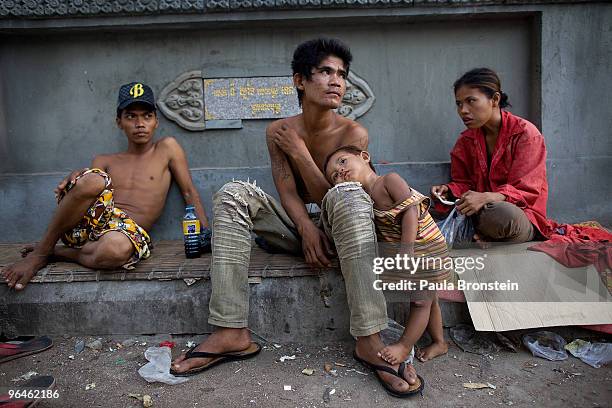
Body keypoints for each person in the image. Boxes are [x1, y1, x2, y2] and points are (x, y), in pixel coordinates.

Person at [171, 38, 421, 398]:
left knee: (349, 194)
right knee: (231, 194)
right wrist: (305, 228)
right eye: (325, 72)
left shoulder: (353, 133)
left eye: (342, 74)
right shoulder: (278, 131)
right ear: (300, 81)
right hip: (297, 227)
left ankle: (368, 339)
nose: (336, 81)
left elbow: (337, 196)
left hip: (344, 228)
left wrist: (302, 154)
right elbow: (286, 189)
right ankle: (231, 331)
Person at [2, 82, 209, 290]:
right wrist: (78, 178)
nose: (140, 123)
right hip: (92, 227)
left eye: (147, 116)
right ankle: (41, 251)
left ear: (156, 121)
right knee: (92, 178)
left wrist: (206, 234)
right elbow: (89, 197)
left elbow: (188, 191)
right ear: (119, 122)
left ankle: (56, 253)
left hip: (125, 234)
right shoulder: (105, 160)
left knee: (116, 250)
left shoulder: (166, 148)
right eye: (131, 116)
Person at [324, 145, 451, 367]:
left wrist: (405, 249)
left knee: (421, 301)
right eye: (334, 175)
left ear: (364, 157)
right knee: (430, 299)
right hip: (412, 251)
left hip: (425, 247)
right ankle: (440, 342)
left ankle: (404, 346)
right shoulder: (362, 199)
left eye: (342, 162)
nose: (340, 171)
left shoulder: (388, 181)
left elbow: (410, 211)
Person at [432, 68, 551, 242]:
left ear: (494, 99)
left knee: (500, 214)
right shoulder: (466, 141)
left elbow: (527, 191)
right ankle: (482, 235)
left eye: (471, 101)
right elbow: (465, 183)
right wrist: (449, 190)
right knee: (420, 208)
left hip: (519, 215)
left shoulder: (526, 134)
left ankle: (484, 234)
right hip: (478, 213)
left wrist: (486, 197)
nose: (463, 110)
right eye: (459, 104)